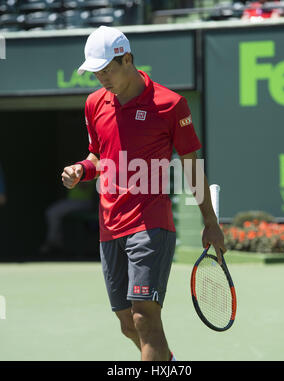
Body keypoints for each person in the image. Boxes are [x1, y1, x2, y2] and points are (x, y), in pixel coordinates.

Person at [61, 26, 226, 361]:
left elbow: (192, 167)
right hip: (109, 226)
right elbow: (99, 155)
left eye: (107, 70)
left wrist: (210, 222)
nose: (101, 78)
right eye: (96, 72)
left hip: (150, 225)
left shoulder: (170, 105)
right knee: (127, 323)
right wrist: (82, 169)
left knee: (144, 315)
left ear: (128, 59)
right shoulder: (94, 104)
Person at [40, 181, 94, 253]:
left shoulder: (90, 172)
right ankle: (56, 241)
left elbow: (83, 186)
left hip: (83, 202)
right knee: (51, 213)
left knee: (52, 213)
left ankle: (53, 241)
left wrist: (75, 178)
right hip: (72, 201)